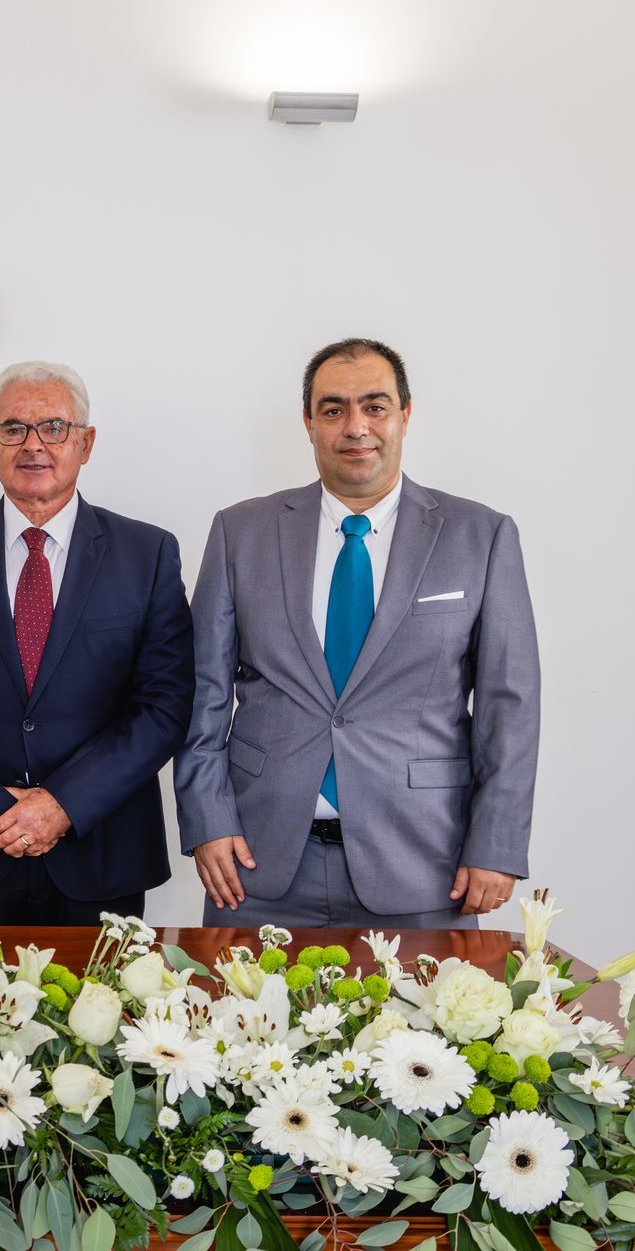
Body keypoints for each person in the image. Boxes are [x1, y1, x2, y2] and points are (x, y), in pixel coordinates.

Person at [175, 338, 540, 928]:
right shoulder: (240, 532)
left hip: (425, 864)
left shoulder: (481, 535)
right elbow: (202, 693)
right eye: (333, 409)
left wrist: (496, 843)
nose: (355, 427)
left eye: (375, 406)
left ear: (404, 415)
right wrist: (207, 821)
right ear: (308, 423)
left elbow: (509, 705)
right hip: (255, 866)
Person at [0, 361, 195, 924]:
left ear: (86, 443)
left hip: (100, 852)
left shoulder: (146, 553)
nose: (33, 445)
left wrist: (62, 805)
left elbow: (163, 705)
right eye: (13, 428)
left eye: (54, 427)